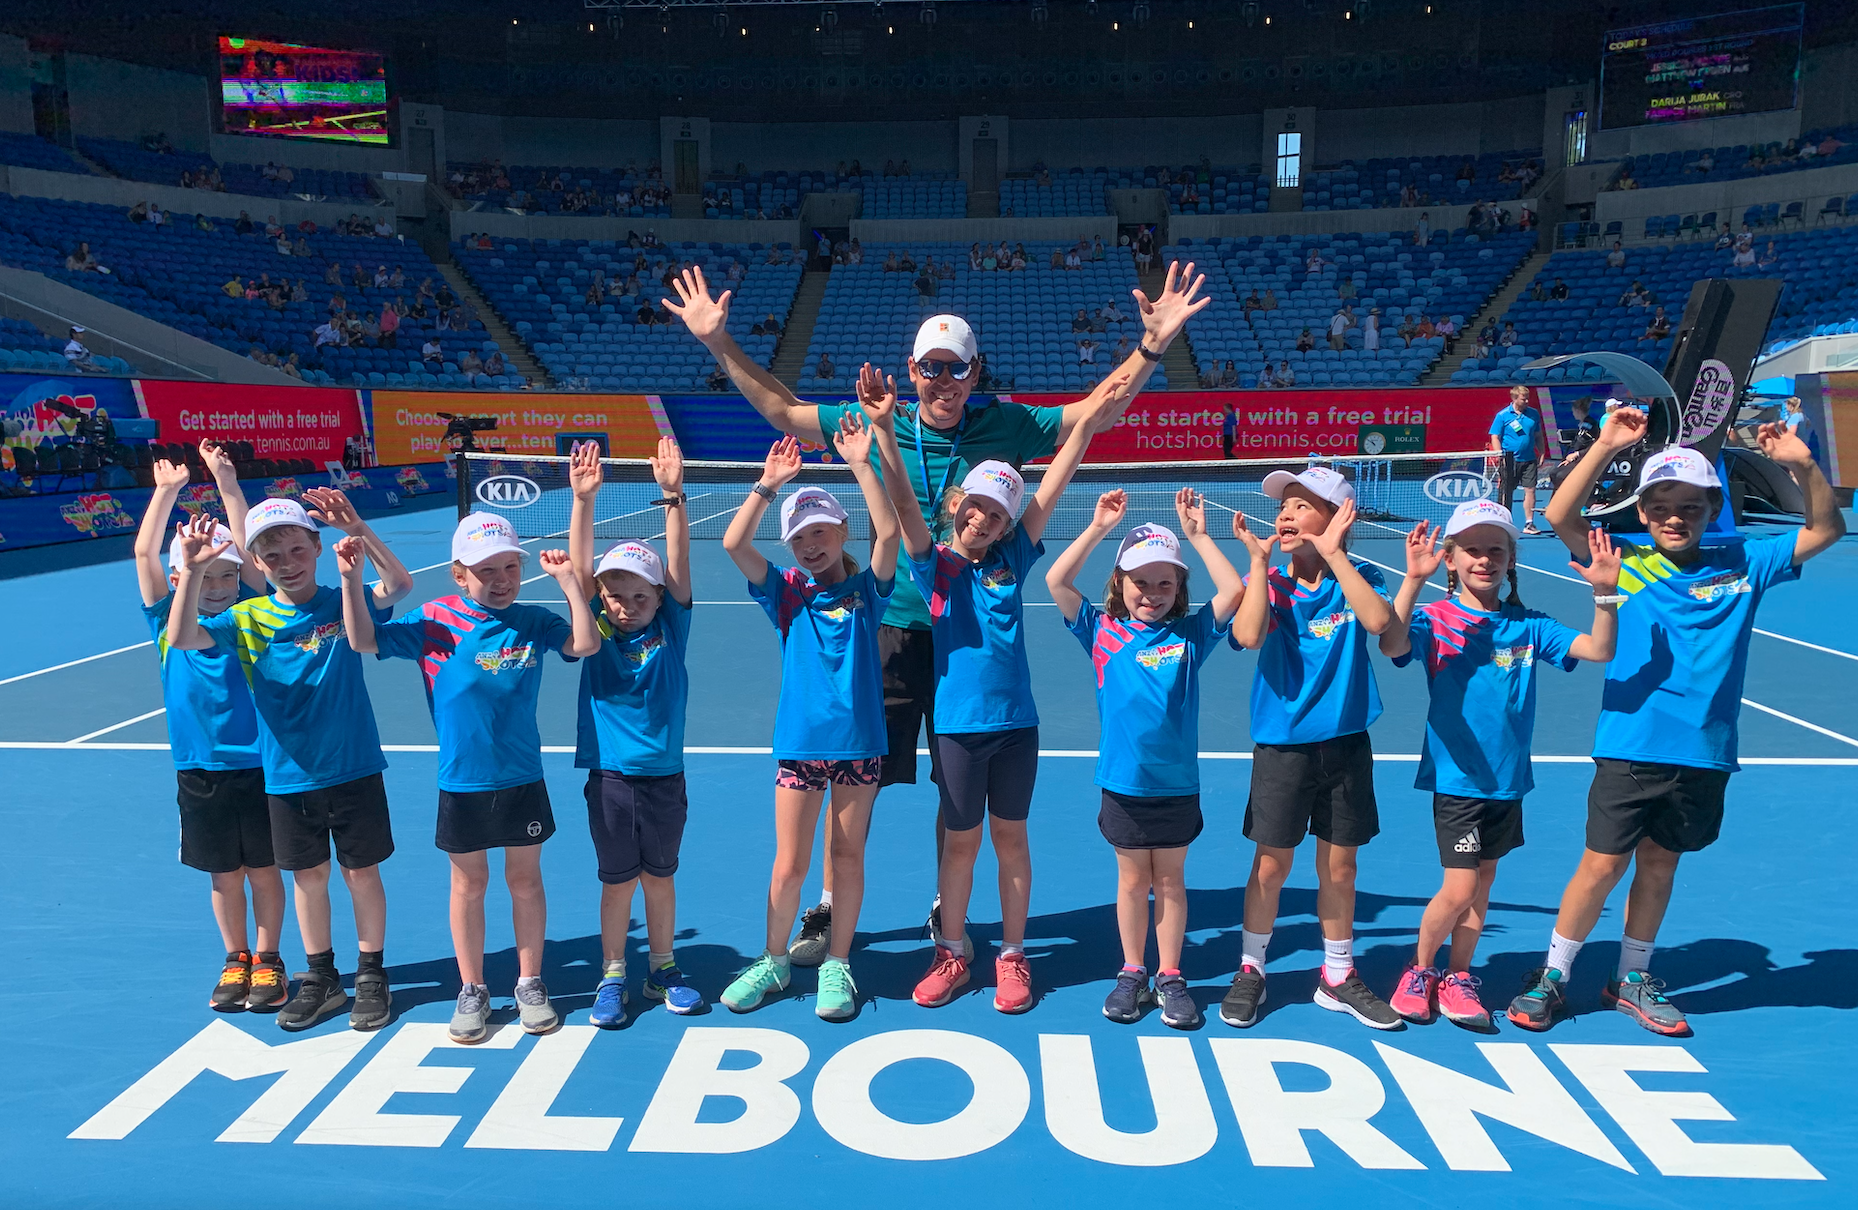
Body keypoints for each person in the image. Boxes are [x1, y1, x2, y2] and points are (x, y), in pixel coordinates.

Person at [667, 266, 1207, 946]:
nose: (944, 382)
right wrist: (719, 345)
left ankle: (939, 905)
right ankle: (832, 902)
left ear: (976, 372)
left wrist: (1151, 347)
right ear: (912, 371)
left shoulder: (1007, 423)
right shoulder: (873, 417)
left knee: (956, 798)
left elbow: (1092, 416)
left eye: (957, 370)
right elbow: (782, 412)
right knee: (854, 776)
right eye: (931, 368)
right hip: (886, 632)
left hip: (968, 645)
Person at [1509, 414, 1845, 1036]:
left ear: (1712, 507)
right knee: (1602, 866)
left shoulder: (1746, 558)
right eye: (1660, 504)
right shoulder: (1625, 559)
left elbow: (1827, 528)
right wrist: (1607, 445)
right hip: (1632, 743)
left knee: (1661, 864)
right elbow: (1559, 517)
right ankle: (1553, 974)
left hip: (1706, 751)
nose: (1674, 516)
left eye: (1690, 505)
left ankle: (1630, 978)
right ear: (1642, 512)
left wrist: (1800, 464)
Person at [165, 490, 413, 1033]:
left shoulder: (340, 600)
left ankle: (371, 973)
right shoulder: (247, 616)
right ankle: (321, 976)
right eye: (271, 557)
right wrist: (190, 570)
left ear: (317, 547)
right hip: (287, 776)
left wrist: (359, 526)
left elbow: (398, 585)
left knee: (361, 873)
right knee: (309, 878)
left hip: (353, 767)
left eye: (298, 550)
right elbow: (183, 636)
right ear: (255, 563)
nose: (287, 564)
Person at [358, 512, 600, 1043]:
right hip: (462, 781)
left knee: (524, 881)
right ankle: (472, 989)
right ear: (459, 574)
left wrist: (568, 586)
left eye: (511, 566)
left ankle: (530, 982)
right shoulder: (434, 620)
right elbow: (363, 639)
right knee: (469, 884)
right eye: (486, 569)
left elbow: (585, 645)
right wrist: (355, 577)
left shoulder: (534, 620)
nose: (502, 578)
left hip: (521, 778)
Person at [1379, 500, 1620, 1027]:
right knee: (1460, 886)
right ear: (1450, 559)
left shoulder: (1529, 626)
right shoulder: (1434, 618)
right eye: (1471, 550)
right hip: (1457, 779)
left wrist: (1605, 593)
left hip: (1507, 783)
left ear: (1511, 560)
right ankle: (1420, 971)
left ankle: (1459, 976)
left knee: (1483, 885)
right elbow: (1391, 642)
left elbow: (1600, 649)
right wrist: (1411, 581)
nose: (1484, 560)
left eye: (1496, 550)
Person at [717, 425, 901, 1022]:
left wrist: (862, 465)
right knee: (789, 863)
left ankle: (837, 964)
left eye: (820, 532)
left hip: (860, 749)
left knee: (846, 859)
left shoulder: (867, 591)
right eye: (800, 538)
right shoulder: (786, 593)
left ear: (841, 533)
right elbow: (733, 543)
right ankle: (772, 960)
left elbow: (892, 531)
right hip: (800, 747)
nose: (810, 545)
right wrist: (767, 487)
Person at [1047, 491, 1245, 1029]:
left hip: (1178, 785)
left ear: (1180, 588)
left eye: (1165, 583)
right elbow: (1056, 582)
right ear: (1119, 584)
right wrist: (1097, 529)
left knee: (1173, 883)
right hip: (1123, 783)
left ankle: (1171, 975)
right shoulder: (1101, 632)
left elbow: (1234, 590)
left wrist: (1200, 536)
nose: (1152, 593)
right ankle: (1133, 971)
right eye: (1140, 582)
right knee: (1134, 882)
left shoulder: (1190, 635)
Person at [1220, 466, 1399, 1029]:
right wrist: (1255, 563)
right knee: (1271, 866)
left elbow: (1378, 622)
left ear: (1338, 517)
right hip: (1283, 748)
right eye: (1284, 506)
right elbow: (1248, 637)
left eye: (1302, 506)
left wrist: (1337, 555)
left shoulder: (1361, 576)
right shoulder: (1272, 585)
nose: (1286, 515)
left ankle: (1338, 974)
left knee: (1340, 868)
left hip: (1345, 746)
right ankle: (1252, 968)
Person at [559, 440, 706, 1025]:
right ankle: (614, 975)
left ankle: (664, 968)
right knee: (619, 882)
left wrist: (673, 496)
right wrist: (582, 502)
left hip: (664, 779)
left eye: (638, 595)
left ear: (659, 597)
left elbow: (678, 563)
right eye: (614, 594)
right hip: (611, 779)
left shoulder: (673, 624)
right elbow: (578, 566)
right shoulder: (594, 629)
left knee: (660, 879)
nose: (624, 604)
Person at [135, 448, 282, 1013]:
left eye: (228, 574)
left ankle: (269, 960)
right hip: (200, 771)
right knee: (225, 874)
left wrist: (227, 483)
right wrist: (166, 490)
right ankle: (235, 957)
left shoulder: (249, 610)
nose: (220, 584)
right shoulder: (164, 621)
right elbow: (146, 550)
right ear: (179, 578)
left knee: (265, 872)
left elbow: (245, 548)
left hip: (261, 765)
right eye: (206, 574)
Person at [1489, 385, 1549, 534]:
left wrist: (1541, 452)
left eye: (1528, 398)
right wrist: (1499, 455)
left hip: (1529, 459)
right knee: (1506, 491)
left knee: (1531, 490)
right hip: (1509, 460)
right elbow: (1495, 436)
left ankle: (1529, 523)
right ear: (1515, 398)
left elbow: (1538, 435)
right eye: (1524, 399)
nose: (1527, 401)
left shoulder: (1533, 414)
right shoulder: (1502, 415)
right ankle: (1503, 521)